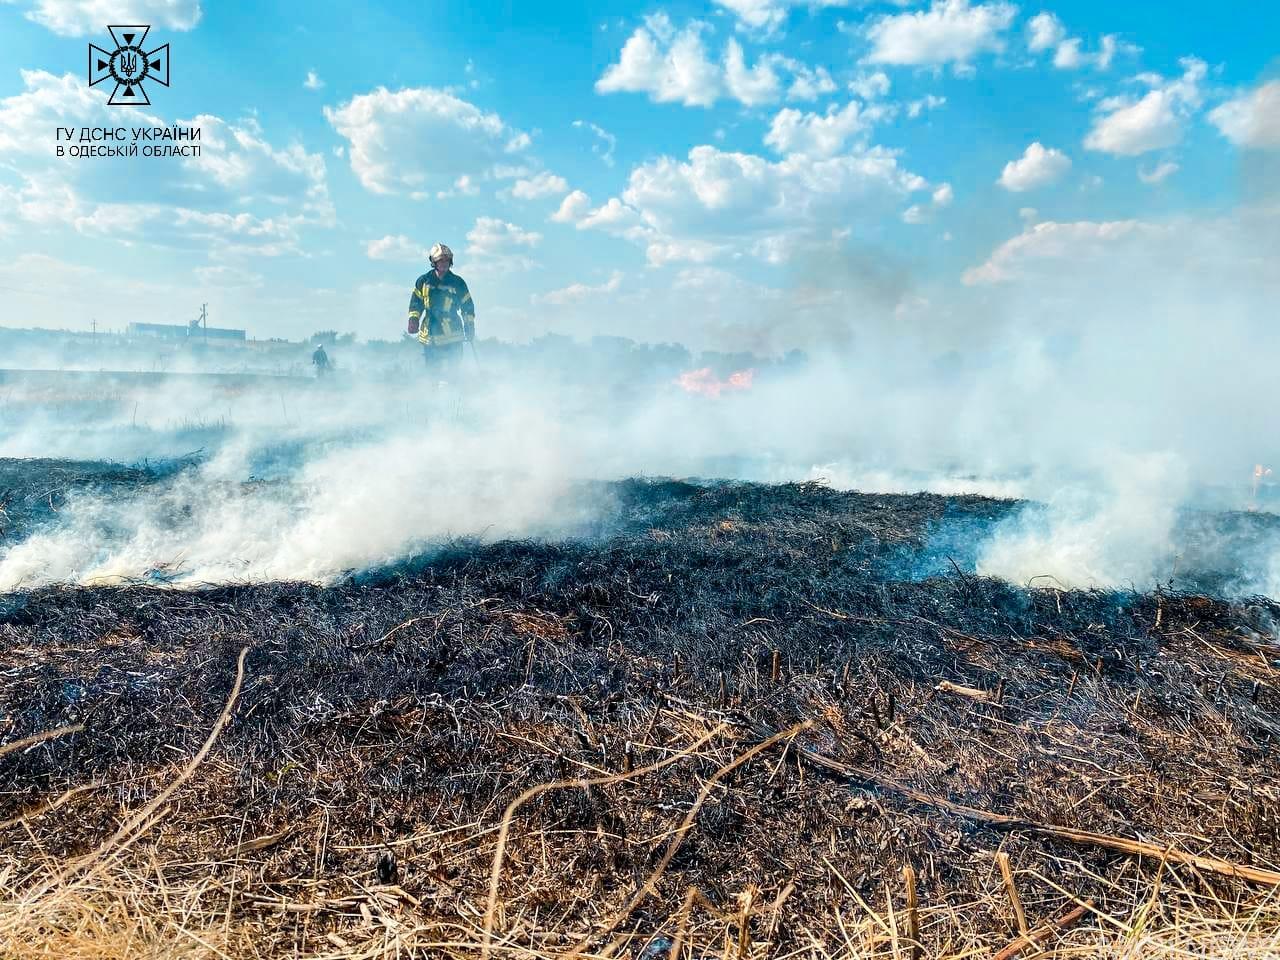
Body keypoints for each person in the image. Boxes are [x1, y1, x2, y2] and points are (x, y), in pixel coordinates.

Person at [407, 243, 475, 376]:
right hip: (430, 335)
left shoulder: (458, 282)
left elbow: (467, 306)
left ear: (450, 262)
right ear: (434, 262)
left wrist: (469, 325)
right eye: (440, 260)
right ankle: (432, 394)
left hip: (452, 334)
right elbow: (416, 303)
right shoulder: (423, 281)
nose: (444, 263)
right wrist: (413, 319)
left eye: (446, 260)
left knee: (453, 372)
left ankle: (455, 395)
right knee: (432, 372)